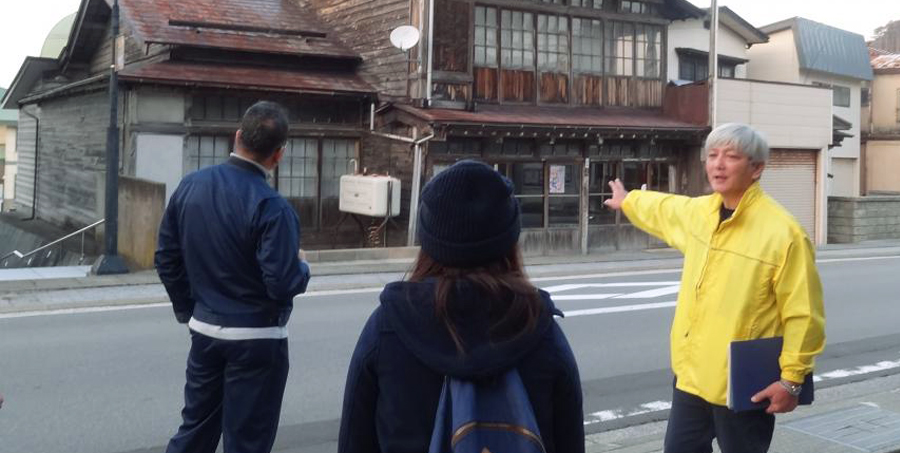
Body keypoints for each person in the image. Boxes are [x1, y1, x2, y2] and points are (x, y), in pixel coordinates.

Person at [603, 123, 825, 453]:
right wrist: (629, 201)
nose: (718, 164)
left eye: (731, 156)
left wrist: (791, 380)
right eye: (712, 155)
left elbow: (803, 314)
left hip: (745, 381)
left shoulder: (784, 233)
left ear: (757, 168)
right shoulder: (701, 212)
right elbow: (665, 208)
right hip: (691, 376)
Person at [338, 159, 585, 453]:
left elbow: (354, 438)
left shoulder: (388, 327)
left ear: (428, 241)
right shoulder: (539, 330)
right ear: (510, 242)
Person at [156, 100, 310, 453]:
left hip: (205, 329)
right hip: (258, 338)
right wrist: (303, 266)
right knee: (247, 442)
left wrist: (189, 309)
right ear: (278, 155)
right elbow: (282, 283)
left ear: (237, 136)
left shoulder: (191, 186)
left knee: (194, 430)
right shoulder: (272, 207)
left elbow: (166, 257)